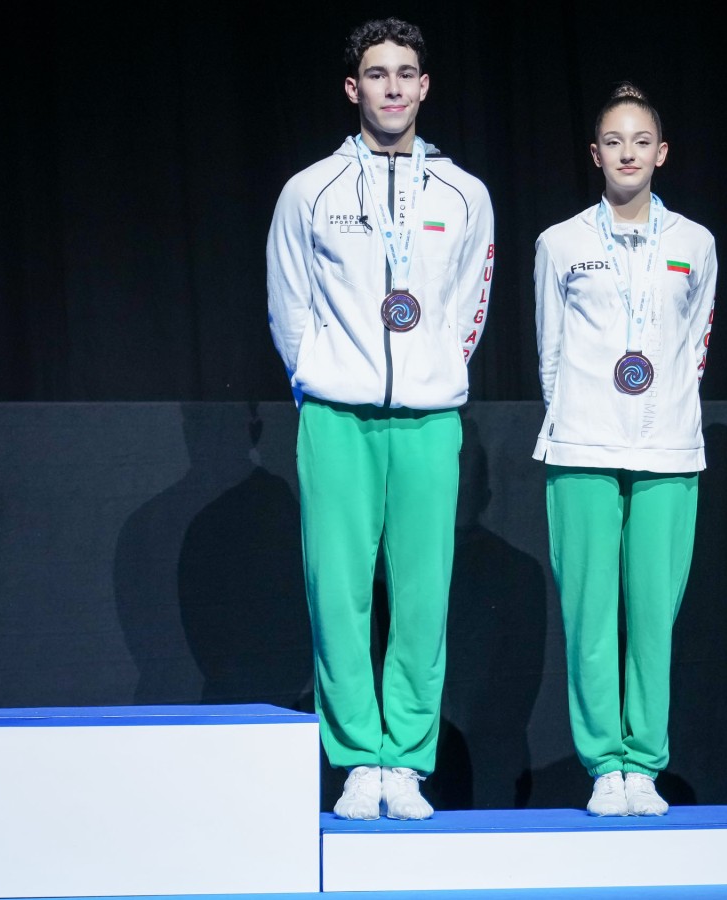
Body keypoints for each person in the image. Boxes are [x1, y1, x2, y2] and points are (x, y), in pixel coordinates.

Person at [265, 16, 495, 821]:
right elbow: (289, 303)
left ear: (424, 87)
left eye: (405, 74)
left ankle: (407, 760)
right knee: (339, 597)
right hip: (337, 415)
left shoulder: (465, 195)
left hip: (428, 419)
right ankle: (360, 758)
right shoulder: (311, 190)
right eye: (376, 73)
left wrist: (436, 371)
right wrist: (318, 375)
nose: (392, 87)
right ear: (352, 87)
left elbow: (469, 304)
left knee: (423, 598)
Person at [532, 81, 718, 817]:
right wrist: (582, 415)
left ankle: (643, 764)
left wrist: (659, 408)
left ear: (662, 153)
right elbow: (549, 352)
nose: (628, 154)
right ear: (595, 154)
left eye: (642, 141)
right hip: (582, 444)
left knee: (652, 620)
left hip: (668, 448)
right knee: (589, 616)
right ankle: (604, 764)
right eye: (614, 142)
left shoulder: (695, 243)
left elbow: (695, 345)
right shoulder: (561, 242)